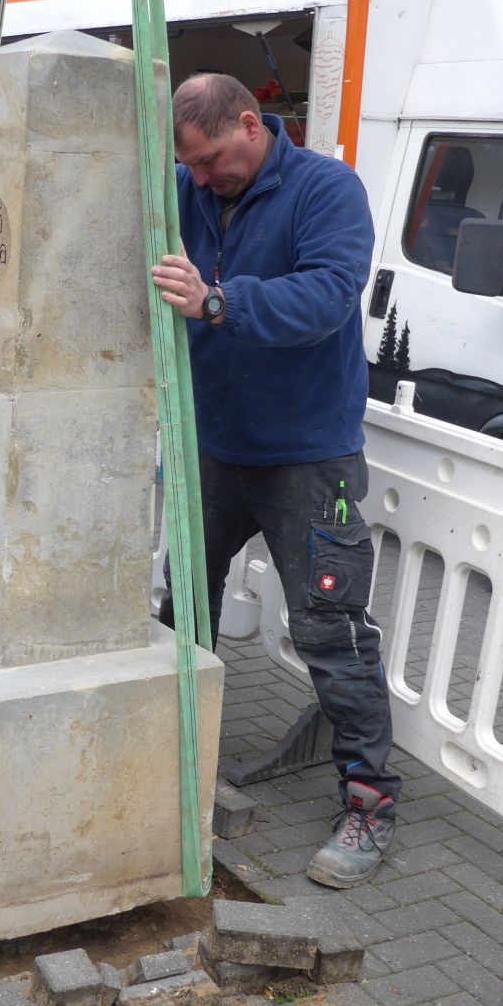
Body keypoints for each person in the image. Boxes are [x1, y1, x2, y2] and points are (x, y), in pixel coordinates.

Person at [151, 72, 401, 888]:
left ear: (252, 127)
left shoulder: (327, 191)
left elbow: (328, 296)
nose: (201, 178)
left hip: (305, 455)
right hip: (213, 445)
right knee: (182, 603)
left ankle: (368, 803)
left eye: (212, 160)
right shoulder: (189, 195)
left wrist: (218, 303)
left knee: (330, 628)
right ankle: (165, 758)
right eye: (188, 165)